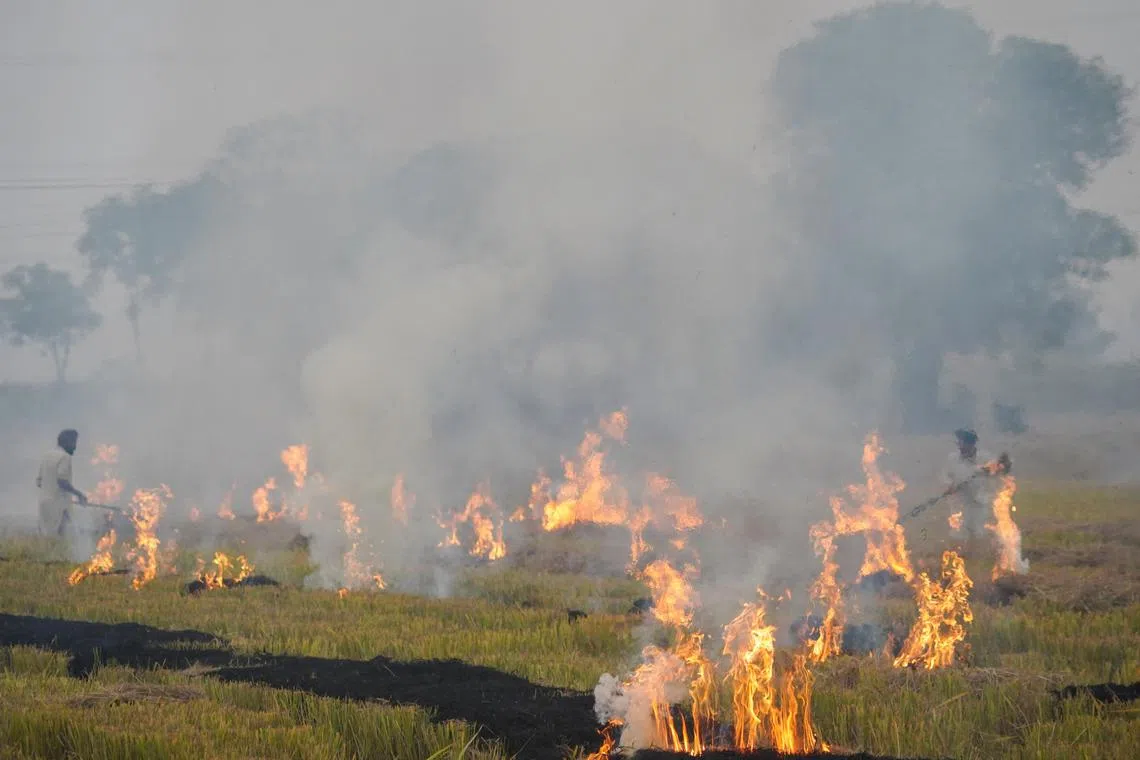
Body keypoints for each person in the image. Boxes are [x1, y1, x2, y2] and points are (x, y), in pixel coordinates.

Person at [941, 428, 1009, 545]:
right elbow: (945, 476)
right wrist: (949, 486)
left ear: (971, 444)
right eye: (959, 442)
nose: (961, 445)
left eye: (964, 442)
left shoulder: (985, 458)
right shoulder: (952, 459)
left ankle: (977, 551)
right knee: (959, 532)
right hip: (959, 501)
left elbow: (1000, 470)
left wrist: (999, 466)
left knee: (978, 531)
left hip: (979, 501)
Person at [36, 429, 88, 539]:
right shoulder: (65, 457)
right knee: (59, 539)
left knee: (46, 539)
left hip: (44, 504)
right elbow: (62, 481)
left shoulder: (47, 456)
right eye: (74, 443)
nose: (75, 447)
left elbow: (39, 482)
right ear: (66, 442)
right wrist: (78, 494)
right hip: (57, 507)